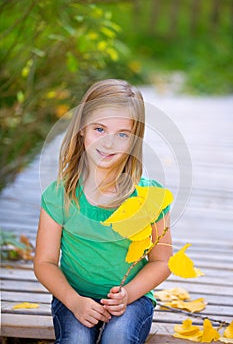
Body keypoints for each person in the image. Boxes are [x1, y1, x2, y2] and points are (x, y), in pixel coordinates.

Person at [34, 79, 173, 344]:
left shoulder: (149, 197)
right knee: (75, 341)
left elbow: (161, 261)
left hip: (131, 300)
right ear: (82, 129)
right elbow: (44, 262)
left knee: (118, 338)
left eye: (122, 134)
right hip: (73, 296)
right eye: (100, 129)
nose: (110, 144)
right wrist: (74, 301)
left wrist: (129, 294)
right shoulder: (59, 196)